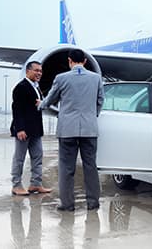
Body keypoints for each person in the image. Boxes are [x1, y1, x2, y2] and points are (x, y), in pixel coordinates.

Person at [38, 49, 104, 211]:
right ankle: (93, 203)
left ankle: (67, 204)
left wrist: (41, 104)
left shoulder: (61, 78)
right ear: (85, 61)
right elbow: (100, 100)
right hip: (89, 129)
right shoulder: (96, 78)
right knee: (90, 166)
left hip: (67, 129)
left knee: (66, 168)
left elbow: (50, 100)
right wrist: (91, 115)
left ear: (69, 61)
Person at [10, 61, 52, 196]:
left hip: (35, 129)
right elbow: (17, 109)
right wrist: (20, 129)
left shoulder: (36, 87)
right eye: (36, 70)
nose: (39, 73)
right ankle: (16, 185)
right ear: (28, 71)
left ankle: (36, 184)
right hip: (24, 130)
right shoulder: (21, 87)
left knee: (38, 156)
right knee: (19, 158)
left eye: (40, 71)